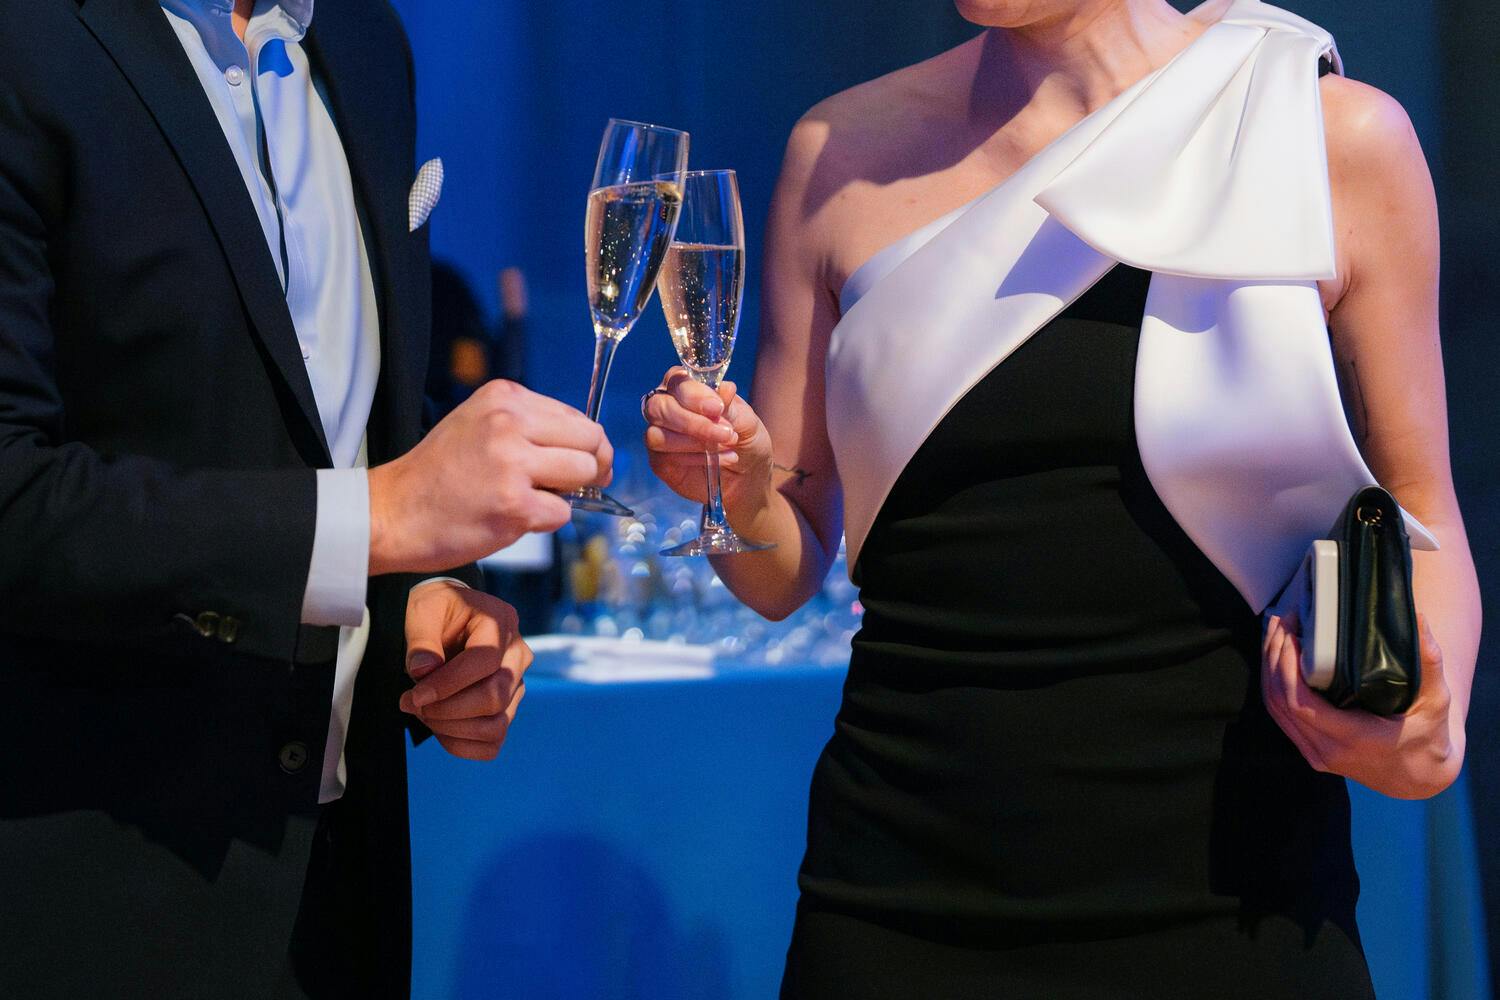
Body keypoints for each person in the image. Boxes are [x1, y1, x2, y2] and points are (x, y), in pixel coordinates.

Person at [643, 0, 1481, 995]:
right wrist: (735, 489)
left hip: (1235, 903)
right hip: (899, 900)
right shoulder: (839, 152)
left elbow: (1422, 511)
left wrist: (1430, 717)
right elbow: (785, 567)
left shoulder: (1322, 134)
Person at [0, 0, 610, 997]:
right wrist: (383, 520)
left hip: (340, 892)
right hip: (88, 892)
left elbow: (342, 416)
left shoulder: (365, 38)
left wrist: (429, 591)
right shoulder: (28, 37)